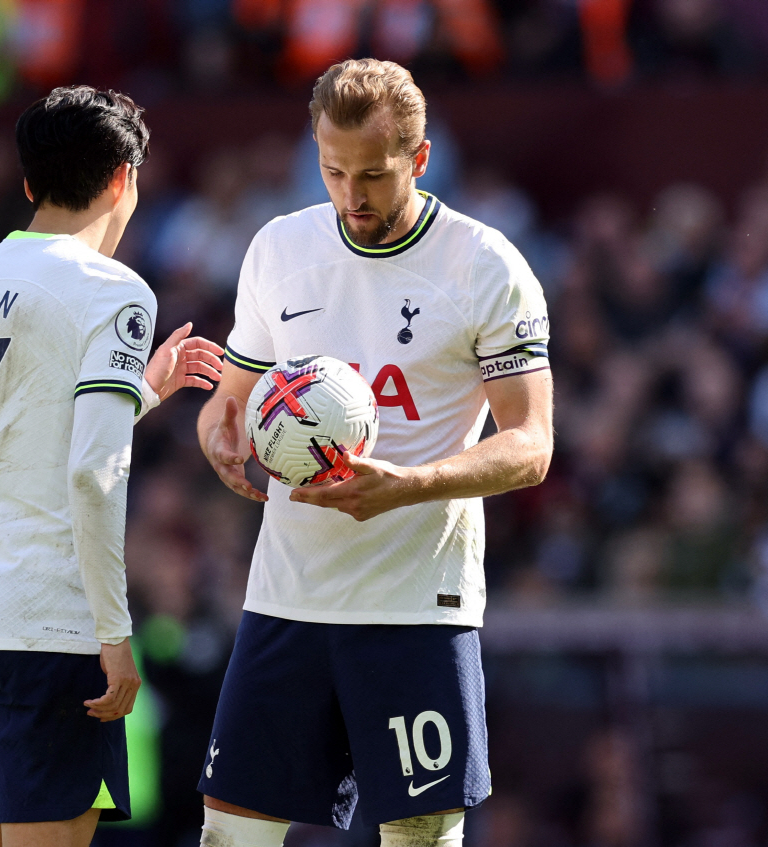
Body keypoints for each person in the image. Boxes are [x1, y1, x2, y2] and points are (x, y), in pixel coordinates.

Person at [196, 59, 554, 847]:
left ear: (419, 160)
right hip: (287, 596)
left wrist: (407, 485)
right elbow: (237, 389)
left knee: (420, 836)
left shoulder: (486, 265)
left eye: (373, 175)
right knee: (228, 834)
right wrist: (218, 429)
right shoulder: (279, 248)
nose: (350, 196)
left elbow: (530, 447)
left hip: (415, 604)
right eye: (332, 171)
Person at [0, 86, 223, 847]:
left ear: (28, 184)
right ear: (123, 178)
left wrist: (142, 391)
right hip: (46, 624)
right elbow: (91, 470)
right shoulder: (113, 290)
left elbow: (11, 440)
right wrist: (113, 630)